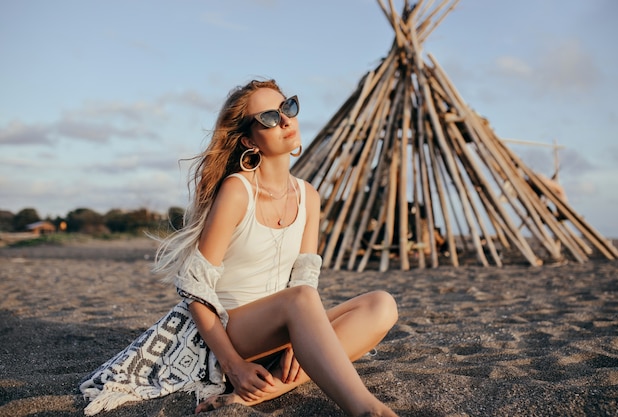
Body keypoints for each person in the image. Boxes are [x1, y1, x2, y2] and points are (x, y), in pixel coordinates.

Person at [79, 79, 399, 417]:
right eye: (270, 118)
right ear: (248, 139)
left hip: (283, 327)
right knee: (302, 301)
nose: (286, 121)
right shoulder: (237, 190)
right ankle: (368, 411)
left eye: (288, 107)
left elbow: (304, 279)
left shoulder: (309, 196)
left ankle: (256, 394)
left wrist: (297, 342)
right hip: (229, 334)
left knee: (382, 304)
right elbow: (195, 289)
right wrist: (233, 365)